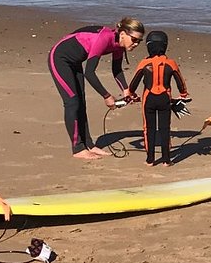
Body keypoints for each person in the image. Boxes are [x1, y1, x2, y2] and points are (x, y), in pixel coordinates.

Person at [48, 18, 145, 160]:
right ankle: (78, 149)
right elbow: (90, 73)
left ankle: (88, 144)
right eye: (134, 39)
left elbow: (117, 70)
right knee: (72, 103)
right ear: (123, 34)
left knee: (81, 103)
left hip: (75, 63)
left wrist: (126, 90)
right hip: (59, 58)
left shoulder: (119, 44)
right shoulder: (104, 38)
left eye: (139, 41)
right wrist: (106, 96)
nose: (136, 44)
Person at [126, 30, 190, 167]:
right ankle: (166, 160)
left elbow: (134, 83)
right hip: (165, 99)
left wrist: (131, 94)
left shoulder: (144, 63)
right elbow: (180, 82)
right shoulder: (171, 63)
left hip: (148, 98)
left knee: (148, 128)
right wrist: (183, 95)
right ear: (165, 46)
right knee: (165, 128)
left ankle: (150, 159)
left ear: (148, 46)